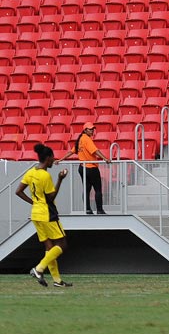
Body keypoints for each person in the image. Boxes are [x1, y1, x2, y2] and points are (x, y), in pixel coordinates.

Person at [15, 144, 72, 288]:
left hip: (36, 213)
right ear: (48, 158)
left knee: (49, 247)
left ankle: (57, 281)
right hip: (47, 213)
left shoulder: (31, 172)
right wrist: (60, 179)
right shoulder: (45, 175)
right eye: (52, 158)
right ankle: (39, 268)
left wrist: (33, 202)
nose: (54, 160)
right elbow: (51, 197)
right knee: (62, 244)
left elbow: (18, 191)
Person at [58, 121, 110, 215]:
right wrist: (105, 158)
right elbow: (95, 151)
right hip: (91, 167)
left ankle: (88, 209)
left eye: (93, 129)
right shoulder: (86, 139)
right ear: (85, 130)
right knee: (97, 189)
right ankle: (99, 210)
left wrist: (60, 159)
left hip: (82, 168)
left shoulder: (80, 139)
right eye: (90, 129)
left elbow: (71, 152)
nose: (92, 131)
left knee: (86, 189)